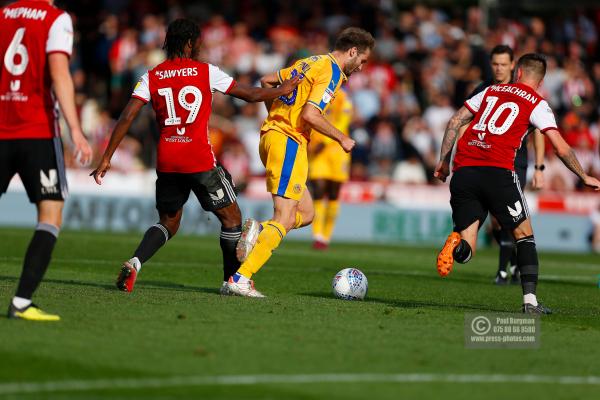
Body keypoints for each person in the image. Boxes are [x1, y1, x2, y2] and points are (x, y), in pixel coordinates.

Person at [91, 19, 299, 294]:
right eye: (198, 42)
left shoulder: (151, 75)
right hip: (198, 159)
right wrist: (281, 91)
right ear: (190, 43)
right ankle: (232, 282)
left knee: (168, 222)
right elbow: (248, 94)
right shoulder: (206, 72)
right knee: (232, 218)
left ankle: (136, 261)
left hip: (167, 160)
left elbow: (127, 115)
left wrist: (106, 157)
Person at [434, 53, 600, 314]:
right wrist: (583, 175)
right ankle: (530, 303)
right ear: (541, 80)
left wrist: (443, 162)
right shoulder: (538, 103)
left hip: (464, 171)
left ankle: (456, 242)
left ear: (518, 72)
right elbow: (561, 147)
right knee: (524, 236)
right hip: (498, 172)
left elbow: (456, 120)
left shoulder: (491, 90)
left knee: (468, 249)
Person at [227, 27, 374, 297]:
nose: (362, 67)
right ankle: (240, 278)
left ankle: (260, 230)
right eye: (363, 60)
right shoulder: (332, 72)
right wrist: (342, 138)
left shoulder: (310, 61)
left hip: (274, 137)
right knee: (283, 217)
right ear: (352, 51)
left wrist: (277, 117)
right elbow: (310, 114)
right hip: (289, 141)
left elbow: (267, 81)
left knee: (306, 214)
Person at [1, 0, 92, 321]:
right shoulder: (56, 19)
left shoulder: (2, 16)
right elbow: (59, 74)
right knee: (50, 213)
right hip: (36, 131)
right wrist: (76, 131)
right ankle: (22, 302)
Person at [467, 45, 546, 285]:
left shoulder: (522, 92)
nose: (499, 68)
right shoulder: (484, 90)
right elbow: (465, 120)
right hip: (485, 161)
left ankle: (503, 271)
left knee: (507, 218)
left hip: (515, 162)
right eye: (495, 64)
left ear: (514, 66)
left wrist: (539, 167)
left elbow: (540, 131)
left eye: (504, 64)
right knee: (496, 220)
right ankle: (512, 262)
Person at [308, 85, 353, 250]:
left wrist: (326, 141)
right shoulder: (317, 93)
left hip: (337, 150)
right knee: (318, 189)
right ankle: (317, 235)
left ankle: (326, 236)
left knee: (333, 193)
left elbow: (343, 121)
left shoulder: (343, 97)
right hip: (318, 151)